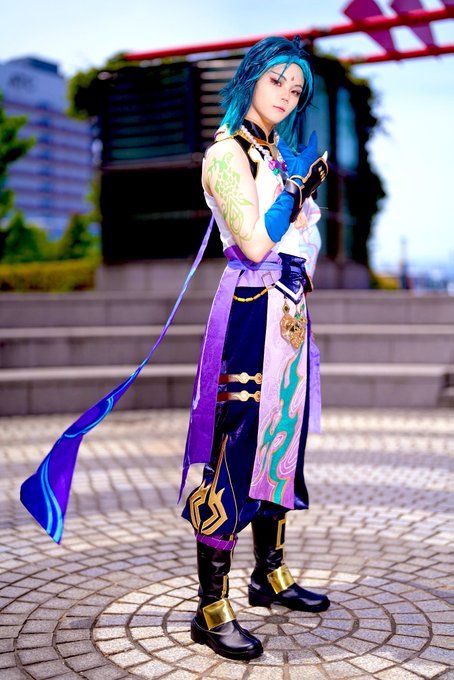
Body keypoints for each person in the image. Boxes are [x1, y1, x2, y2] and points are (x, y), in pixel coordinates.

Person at [178, 35, 330, 661]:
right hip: (249, 309)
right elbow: (256, 244)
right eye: (277, 81)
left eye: (297, 89)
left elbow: (300, 245)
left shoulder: (274, 152)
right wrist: (295, 192)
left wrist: (296, 192)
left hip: (289, 309)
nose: (287, 96)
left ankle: (269, 574)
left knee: (283, 439)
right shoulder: (226, 155)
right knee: (235, 444)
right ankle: (210, 608)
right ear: (250, 78)